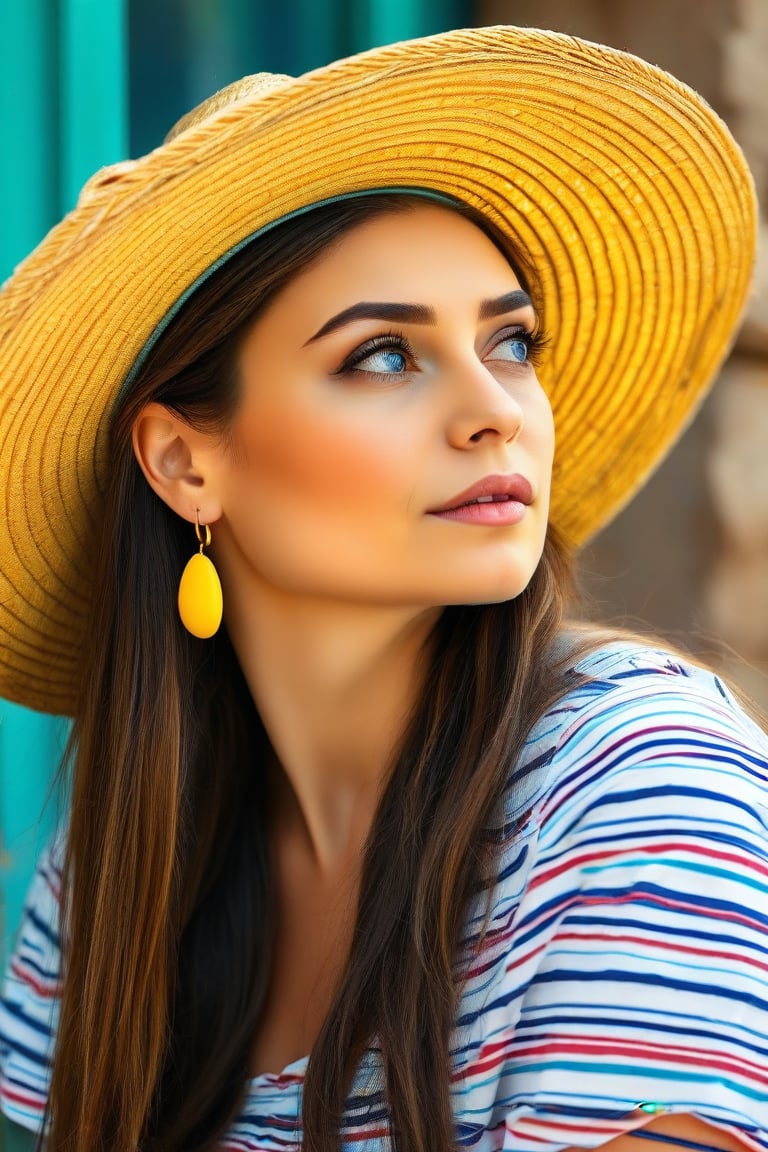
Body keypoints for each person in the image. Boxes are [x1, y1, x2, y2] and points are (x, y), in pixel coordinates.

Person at [0, 24, 765, 1152]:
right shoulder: (117, 867)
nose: (495, 407)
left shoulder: (643, 784)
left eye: (511, 342)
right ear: (184, 463)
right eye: (384, 357)